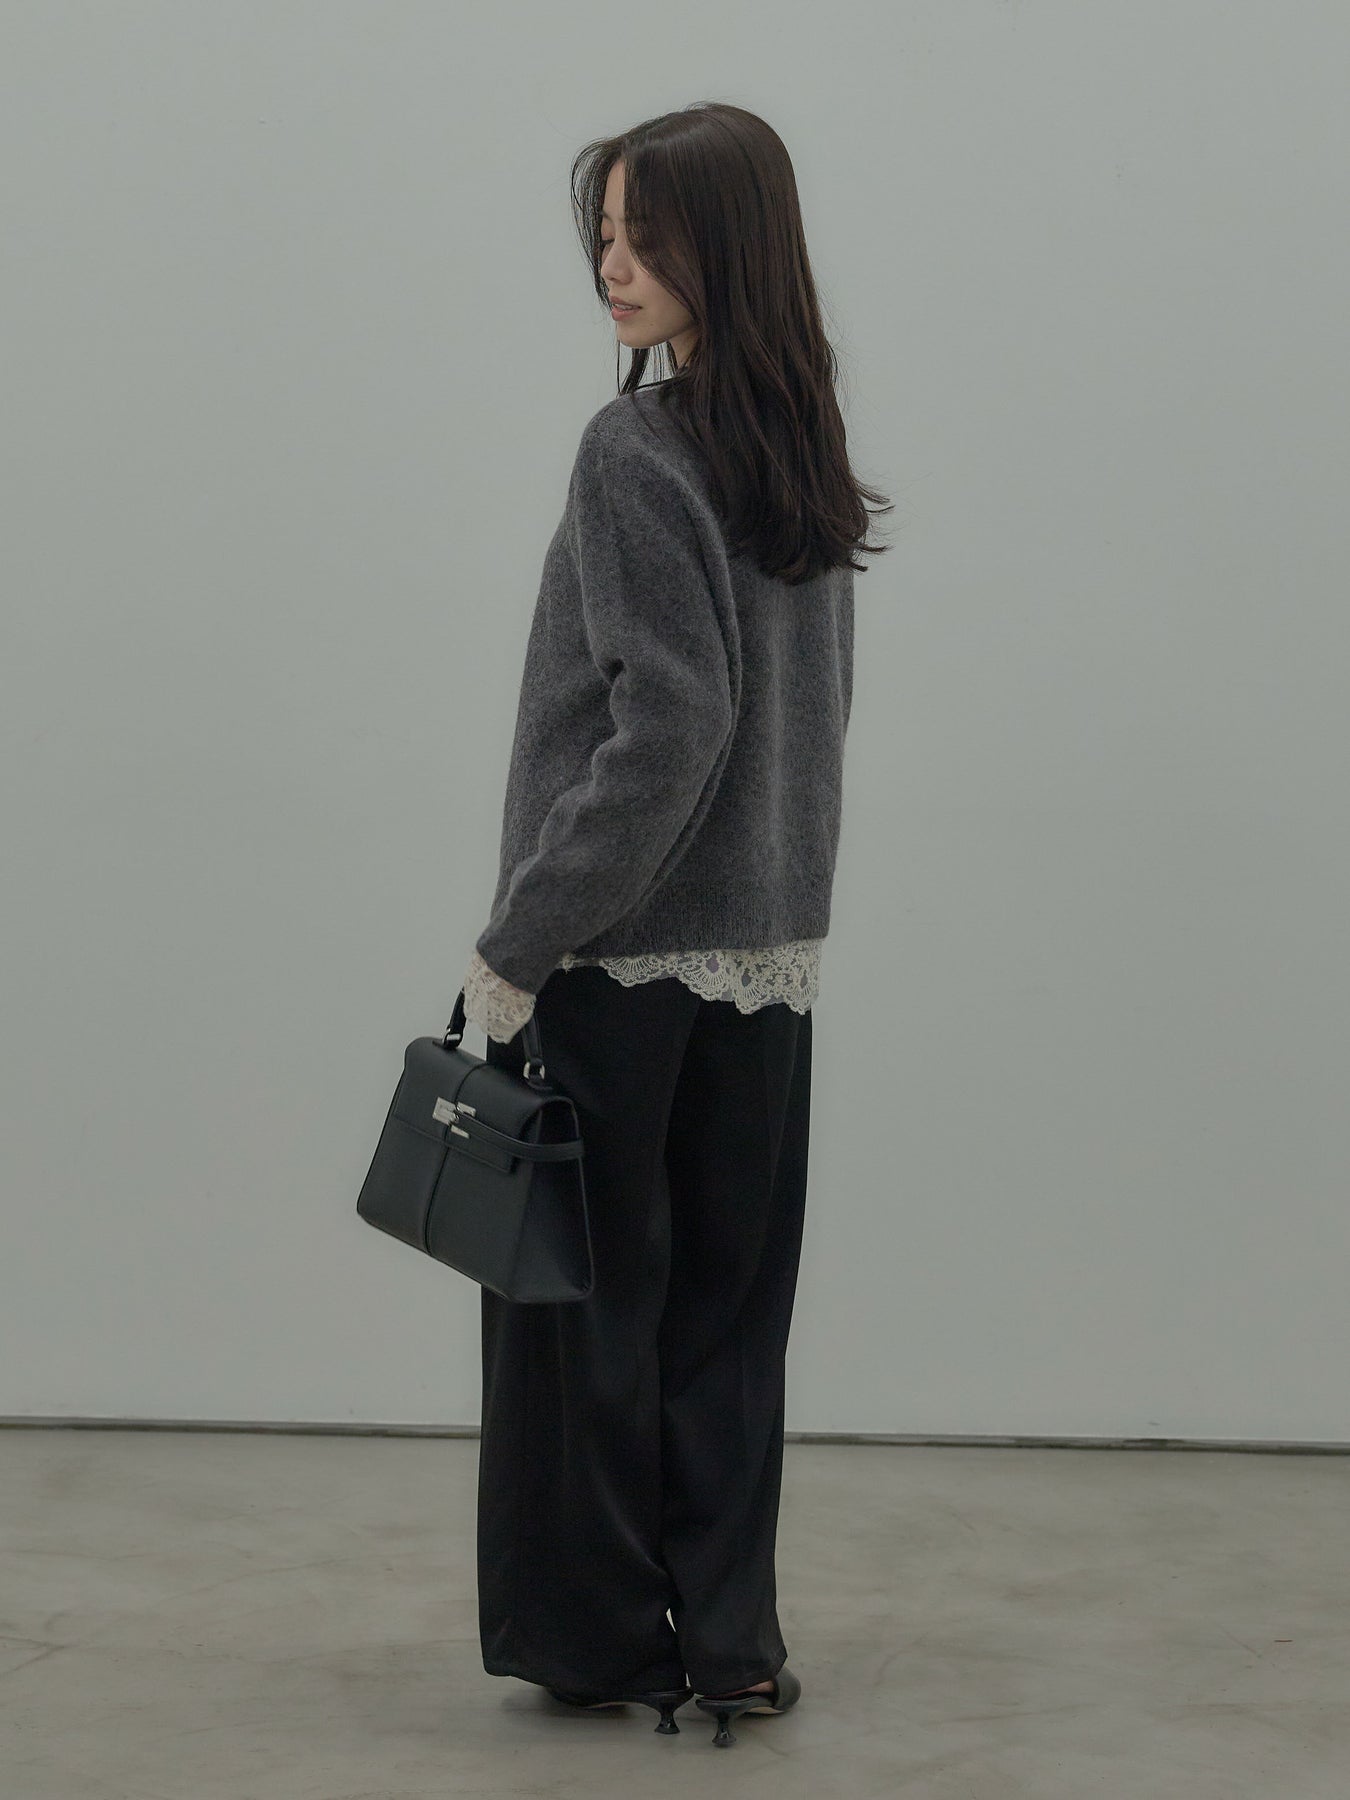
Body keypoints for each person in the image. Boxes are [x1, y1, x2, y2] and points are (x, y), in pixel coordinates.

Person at [461, 100, 890, 1748]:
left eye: (646, 234)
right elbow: (801, 721)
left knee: (583, 1317)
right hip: (766, 959)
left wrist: (521, 937)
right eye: (603, 234)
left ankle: (599, 1643)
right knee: (725, 1311)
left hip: (617, 955)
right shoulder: (796, 444)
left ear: (728, 246)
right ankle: (729, 1641)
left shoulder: (631, 448)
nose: (613, 264)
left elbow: (671, 728)